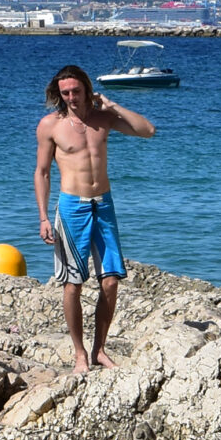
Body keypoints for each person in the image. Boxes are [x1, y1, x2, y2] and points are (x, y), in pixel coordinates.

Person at [35, 63, 156, 371]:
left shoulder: (104, 119)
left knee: (111, 281)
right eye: (65, 93)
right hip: (71, 207)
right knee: (72, 284)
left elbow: (147, 131)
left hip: (103, 205)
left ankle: (98, 349)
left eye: (76, 91)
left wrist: (112, 105)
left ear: (87, 89)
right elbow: (43, 172)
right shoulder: (50, 125)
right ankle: (78, 354)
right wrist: (43, 217)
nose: (72, 98)